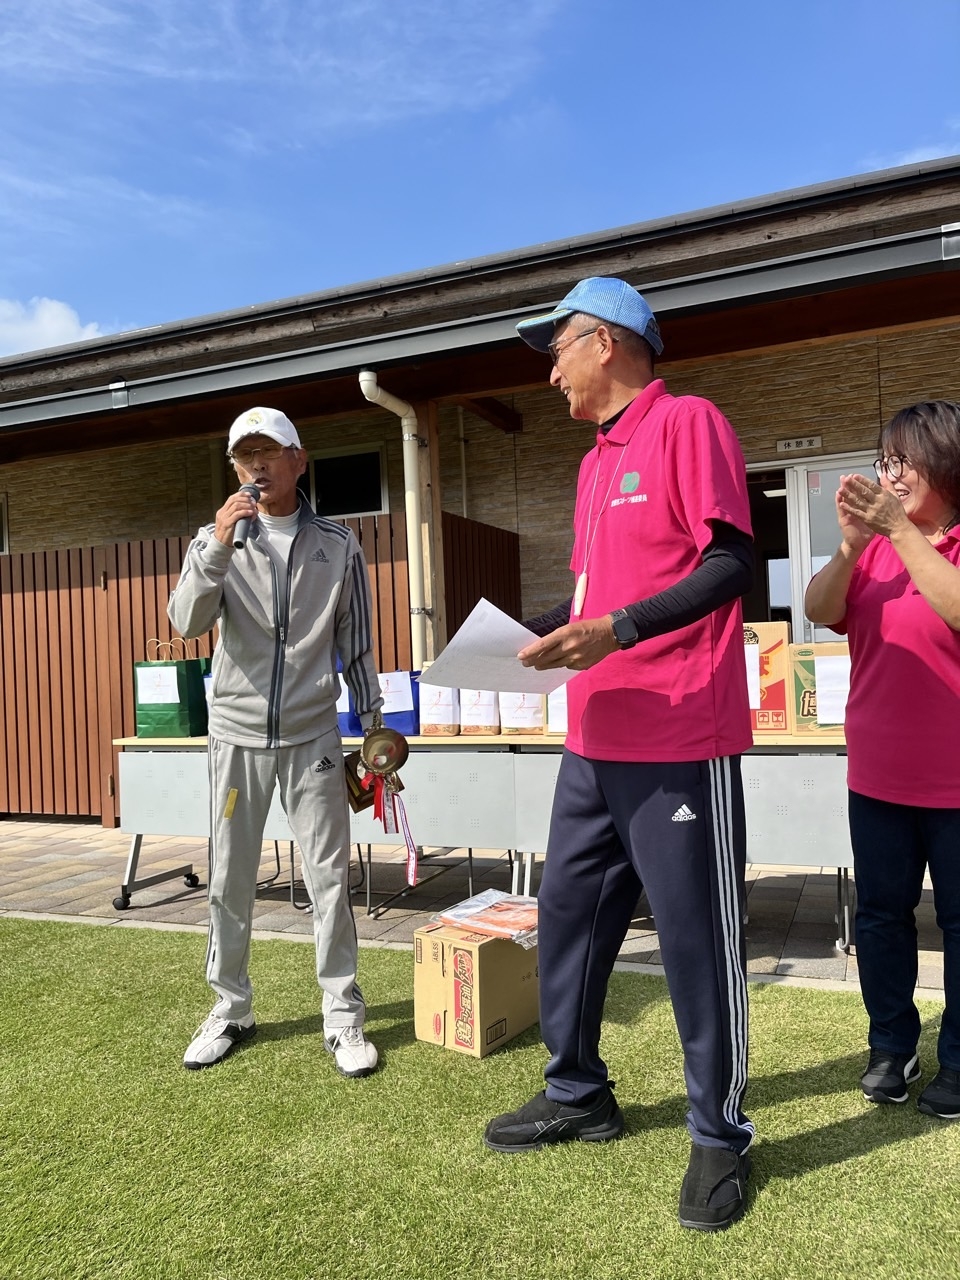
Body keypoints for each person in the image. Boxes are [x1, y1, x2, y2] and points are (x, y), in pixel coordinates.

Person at [483, 277, 756, 1231]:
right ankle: (577, 1092)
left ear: (605, 342)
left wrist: (620, 629)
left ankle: (718, 1135)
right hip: (593, 739)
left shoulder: (689, 422)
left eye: (555, 347)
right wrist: (517, 638)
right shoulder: (597, 460)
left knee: (692, 939)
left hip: (681, 729)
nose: (549, 368)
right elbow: (594, 596)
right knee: (568, 914)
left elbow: (731, 567)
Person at [168, 406, 383, 1078]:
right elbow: (185, 623)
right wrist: (217, 547)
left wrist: (373, 725)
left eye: (269, 452)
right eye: (244, 456)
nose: (256, 466)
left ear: (299, 459)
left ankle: (343, 1016)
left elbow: (356, 642)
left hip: (313, 735)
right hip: (235, 738)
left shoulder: (339, 544)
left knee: (327, 879)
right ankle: (230, 1008)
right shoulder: (215, 539)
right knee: (230, 879)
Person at [804, 400, 960, 1120]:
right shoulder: (873, 552)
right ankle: (890, 1047)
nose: (890, 476)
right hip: (877, 776)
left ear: (945, 463)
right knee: (881, 918)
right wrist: (848, 547)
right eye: (885, 462)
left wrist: (899, 533)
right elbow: (817, 606)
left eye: (903, 461)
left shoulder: (946, 544)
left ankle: (957, 1061)